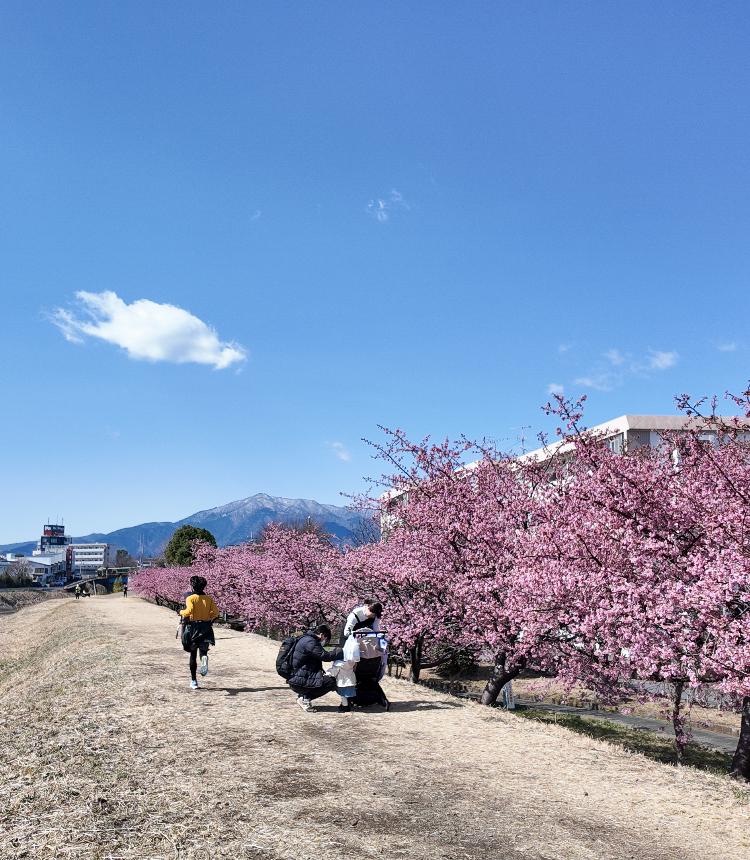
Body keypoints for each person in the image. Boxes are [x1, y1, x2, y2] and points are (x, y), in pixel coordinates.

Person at [287, 624, 344, 712]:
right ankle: (305, 699)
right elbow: (324, 656)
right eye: (325, 638)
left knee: (326, 679)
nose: (324, 641)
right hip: (299, 680)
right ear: (322, 635)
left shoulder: (306, 638)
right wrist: (340, 652)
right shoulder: (310, 642)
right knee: (331, 682)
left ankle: (304, 697)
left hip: (297, 676)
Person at [179, 575, 220, 690]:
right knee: (203, 651)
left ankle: (194, 681)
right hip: (206, 627)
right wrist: (208, 617)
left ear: (192, 586)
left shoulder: (191, 598)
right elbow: (216, 613)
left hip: (194, 627)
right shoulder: (208, 599)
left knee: (193, 654)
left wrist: (181, 612)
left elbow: (189, 611)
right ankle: (204, 658)